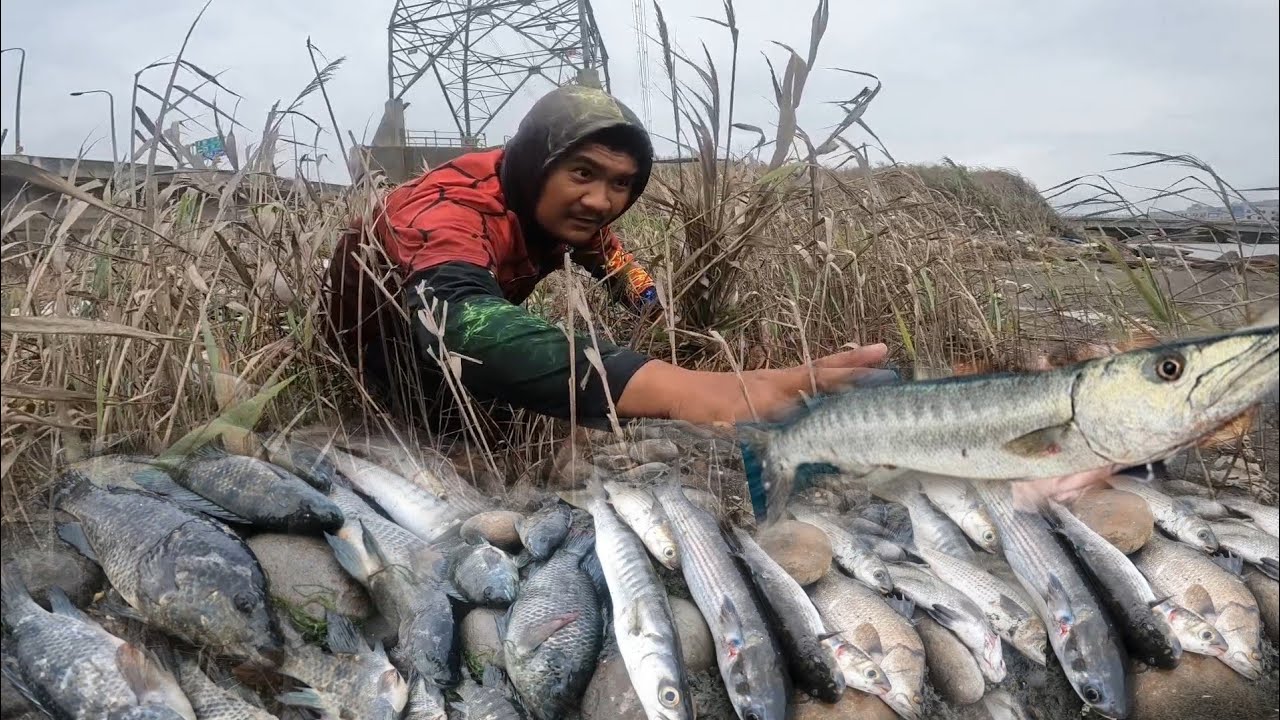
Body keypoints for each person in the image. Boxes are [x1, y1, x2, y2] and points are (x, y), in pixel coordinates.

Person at [323, 83, 1112, 513]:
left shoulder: (572, 215)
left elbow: (622, 269)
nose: (602, 201)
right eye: (584, 174)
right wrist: (696, 392)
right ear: (537, 164)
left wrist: (663, 317)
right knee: (451, 434)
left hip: (473, 333)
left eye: (622, 185)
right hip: (382, 345)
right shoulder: (441, 209)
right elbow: (462, 325)